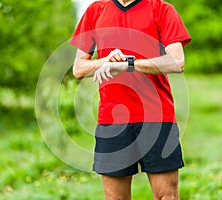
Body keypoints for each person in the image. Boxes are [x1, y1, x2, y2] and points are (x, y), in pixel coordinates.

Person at [70, 0, 191, 199]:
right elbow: (78, 68)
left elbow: (177, 62)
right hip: (112, 122)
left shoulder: (161, 9)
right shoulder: (95, 11)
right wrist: (107, 60)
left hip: (157, 118)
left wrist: (128, 64)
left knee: (166, 196)